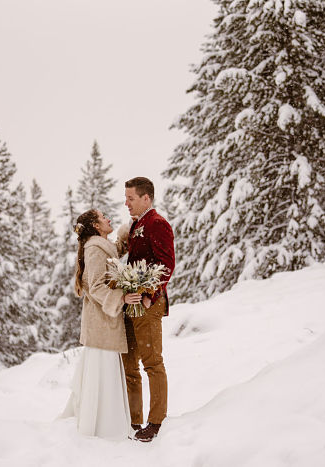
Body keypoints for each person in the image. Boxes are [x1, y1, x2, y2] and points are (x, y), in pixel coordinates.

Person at [61, 208, 142, 440]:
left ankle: (105, 421)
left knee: (105, 372)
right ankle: (104, 426)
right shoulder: (94, 249)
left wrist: (130, 228)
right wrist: (122, 298)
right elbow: (96, 286)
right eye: (103, 217)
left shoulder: (101, 245)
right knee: (103, 372)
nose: (108, 218)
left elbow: (117, 248)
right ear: (96, 226)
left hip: (104, 323)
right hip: (101, 323)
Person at [121, 177, 175, 442]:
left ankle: (156, 422)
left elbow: (166, 264)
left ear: (146, 198)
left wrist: (148, 297)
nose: (126, 203)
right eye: (126, 198)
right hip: (131, 305)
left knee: (152, 363)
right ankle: (134, 421)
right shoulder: (136, 225)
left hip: (148, 305)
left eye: (131, 198)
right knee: (129, 365)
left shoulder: (157, 224)